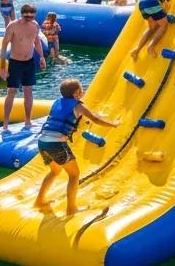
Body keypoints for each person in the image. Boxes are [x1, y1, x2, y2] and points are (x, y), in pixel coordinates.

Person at [34, 77, 118, 216]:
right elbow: (95, 119)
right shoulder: (78, 105)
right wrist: (112, 124)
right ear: (77, 92)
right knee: (74, 175)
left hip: (43, 142)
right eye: (81, 89)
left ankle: (39, 201)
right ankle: (71, 209)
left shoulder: (57, 102)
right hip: (56, 144)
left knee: (55, 171)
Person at [0, 4, 46, 130]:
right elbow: (4, 47)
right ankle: (5, 123)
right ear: (22, 13)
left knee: (28, 91)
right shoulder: (13, 26)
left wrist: (41, 57)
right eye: (26, 14)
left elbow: (36, 41)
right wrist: (3, 66)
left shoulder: (35, 25)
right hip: (15, 63)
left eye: (31, 14)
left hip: (29, 62)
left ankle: (27, 120)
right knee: (12, 91)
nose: (29, 16)